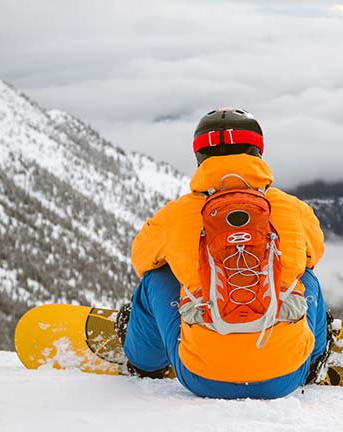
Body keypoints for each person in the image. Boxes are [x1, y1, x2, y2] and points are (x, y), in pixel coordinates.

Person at [116, 107, 330, 399]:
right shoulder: (293, 209)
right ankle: (314, 359)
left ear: (200, 156)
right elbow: (314, 256)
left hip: (202, 377)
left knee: (156, 276)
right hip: (287, 376)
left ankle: (145, 364)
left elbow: (141, 259)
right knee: (305, 275)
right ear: (258, 151)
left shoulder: (176, 215)